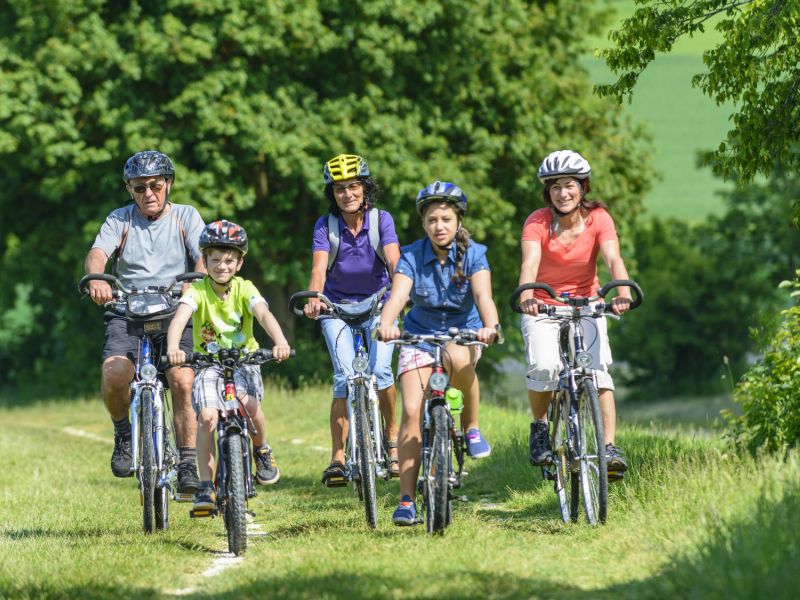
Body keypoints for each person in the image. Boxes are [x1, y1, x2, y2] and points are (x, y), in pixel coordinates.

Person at [377, 181, 501, 526]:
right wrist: (386, 324)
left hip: (464, 332)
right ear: (423, 223)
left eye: (446, 219)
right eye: (432, 220)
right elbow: (398, 296)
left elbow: (483, 296)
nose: (439, 226)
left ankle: (471, 426)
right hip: (419, 336)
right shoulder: (412, 255)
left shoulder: (474, 254)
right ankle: (406, 500)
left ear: (458, 220)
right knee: (411, 411)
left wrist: (490, 326)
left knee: (459, 359)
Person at [84, 150, 205, 495]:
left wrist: (194, 282)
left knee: (182, 379)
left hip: (174, 311)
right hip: (126, 310)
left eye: (155, 185)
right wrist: (97, 277)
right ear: (130, 189)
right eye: (139, 187)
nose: (148, 193)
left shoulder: (185, 216)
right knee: (114, 373)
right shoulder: (119, 220)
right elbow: (98, 253)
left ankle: (187, 462)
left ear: (168, 184)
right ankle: (123, 434)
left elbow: (202, 256)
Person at [518, 149, 632, 480]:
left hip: (587, 303)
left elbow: (613, 258)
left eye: (569, 185)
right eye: (555, 186)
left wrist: (622, 291)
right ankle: (540, 426)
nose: (563, 193)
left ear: (583, 187)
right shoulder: (537, 221)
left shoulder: (599, 218)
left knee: (597, 372)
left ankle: (608, 448)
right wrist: (527, 296)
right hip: (544, 304)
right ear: (547, 191)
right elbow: (529, 263)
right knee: (545, 367)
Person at [166, 220, 291, 510]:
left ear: (239, 263)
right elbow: (180, 318)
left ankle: (261, 450)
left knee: (250, 406)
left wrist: (280, 341)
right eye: (216, 260)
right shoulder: (197, 290)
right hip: (209, 364)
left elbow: (263, 314)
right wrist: (173, 348)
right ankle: (205, 486)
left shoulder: (245, 288)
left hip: (244, 361)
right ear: (205, 261)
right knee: (208, 417)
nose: (222, 266)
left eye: (229, 261)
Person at [303, 153, 401, 486]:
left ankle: (392, 440)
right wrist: (314, 297)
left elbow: (393, 260)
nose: (347, 194)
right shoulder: (325, 225)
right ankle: (338, 457)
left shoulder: (381, 220)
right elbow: (319, 269)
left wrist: (401, 292)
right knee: (344, 379)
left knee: (381, 370)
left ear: (365, 188)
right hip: (336, 309)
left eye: (354, 186)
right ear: (332, 194)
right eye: (340, 188)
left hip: (379, 306)